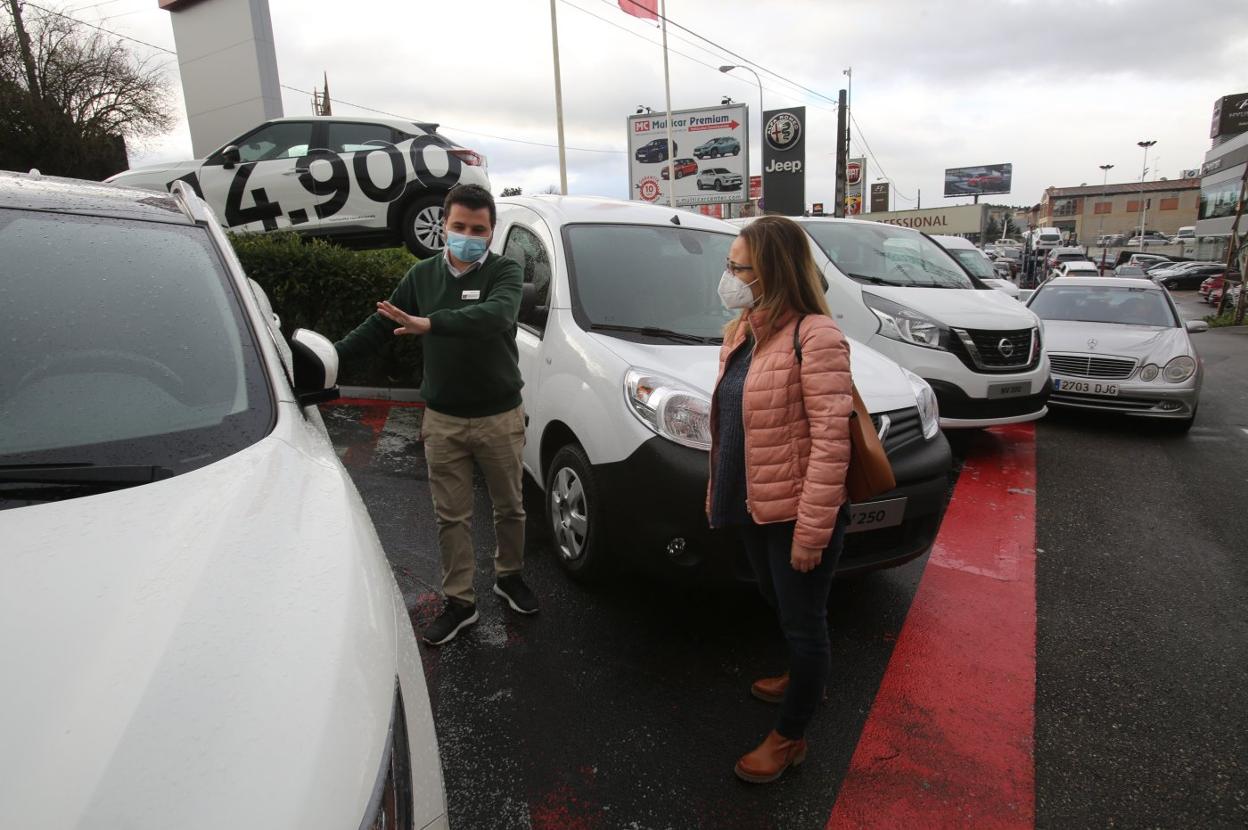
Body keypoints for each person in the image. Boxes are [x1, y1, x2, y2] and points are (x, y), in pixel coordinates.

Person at [334, 184, 538, 646]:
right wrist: (327, 357)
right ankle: (461, 602)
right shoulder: (421, 276)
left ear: (491, 232)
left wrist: (432, 322)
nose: (469, 236)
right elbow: (380, 324)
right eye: (460, 226)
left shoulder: (505, 271)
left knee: (510, 508)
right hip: (443, 419)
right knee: (452, 517)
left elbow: (497, 316)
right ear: (443, 224)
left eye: (479, 229)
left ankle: (509, 577)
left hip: (499, 416)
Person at [706, 215, 854, 784]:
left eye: (739, 267)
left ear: (772, 271)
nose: (730, 277)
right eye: (729, 265)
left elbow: (830, 441)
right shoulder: (743, 329)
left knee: (804, 622)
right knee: (777, 599)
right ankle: (800, 674)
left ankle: (790, 737)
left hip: (799, 510)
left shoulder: (816, 335)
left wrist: (813, 531)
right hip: (755, 501)